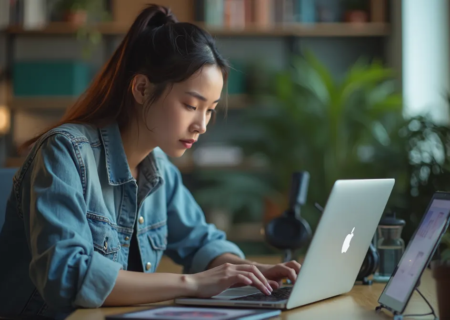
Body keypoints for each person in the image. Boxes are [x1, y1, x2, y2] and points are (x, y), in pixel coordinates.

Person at [0, 4, 300, 319]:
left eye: (210, 109)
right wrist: (192, 284)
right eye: (190, 105)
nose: (202, 125)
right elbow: (66, 276)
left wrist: (252, 270)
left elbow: (201, 242)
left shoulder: (160, 171)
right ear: (142, 88)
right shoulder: (64, 152)